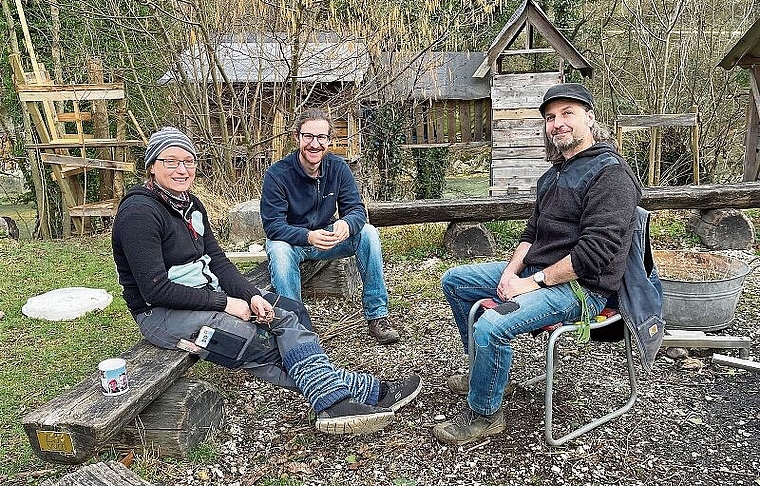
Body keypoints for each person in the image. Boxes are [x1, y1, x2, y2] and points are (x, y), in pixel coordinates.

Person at [112, 126, 422, 435]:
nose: (182, 170)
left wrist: (250, 296)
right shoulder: (139, 213)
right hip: (163, 315)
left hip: (205, 294)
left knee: (288, 312)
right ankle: (365, 394)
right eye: (171, 162)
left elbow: (218, 262)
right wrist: (226, 303)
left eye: (189, 161)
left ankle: (338, 401)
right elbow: (155, 290)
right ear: (152, 166)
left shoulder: (190, 205)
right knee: (259, 342)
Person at [432, 84, 642, 445]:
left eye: (567, 113)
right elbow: (530, 235)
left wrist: (530, 284)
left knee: (491, 325)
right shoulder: (553, 175)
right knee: (455, 280)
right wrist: (511, 272)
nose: (557, 123)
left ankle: (485, 414)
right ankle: (488, 373)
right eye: (550, 117)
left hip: (582, 289)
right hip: (538, 274)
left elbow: (594, 253)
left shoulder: (611, 175)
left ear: (590, 118)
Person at [260, 108, 399, 345]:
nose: (314, 144)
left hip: (326, 237)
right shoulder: (277, 174)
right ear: (297, 137)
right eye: (308, 137)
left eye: (321, 137)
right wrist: (307, 236)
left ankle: (377, 316)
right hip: (292, 242)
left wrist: (346, 222)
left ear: (329, 139)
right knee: (279, 250)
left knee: (368, 233)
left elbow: (356, 210)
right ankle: (295, 328)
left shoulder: (338, 168)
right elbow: (273, 227)